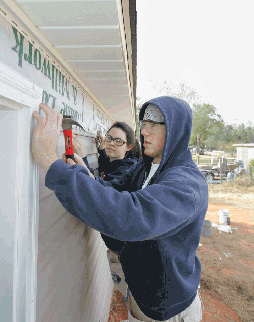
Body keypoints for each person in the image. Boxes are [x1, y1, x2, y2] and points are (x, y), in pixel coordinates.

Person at [32, 96, 208, 322]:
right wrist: (85, 174)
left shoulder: (186, 185)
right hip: (141, 290)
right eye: (144, 124)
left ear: (177, 131)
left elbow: (129, 215)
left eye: (154, 125)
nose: (144, 131)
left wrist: (50, 162)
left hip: (165, 307)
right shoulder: (146, 167)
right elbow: (113, 191)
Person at [72, 121, 141, 181]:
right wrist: (101, 149)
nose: (111, 143)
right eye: (109, 138)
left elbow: (97, 190)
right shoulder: (113, 161)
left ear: (128, 147)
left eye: (118, 141)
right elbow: (105, 161)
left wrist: (82, 157)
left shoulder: (125, 173)